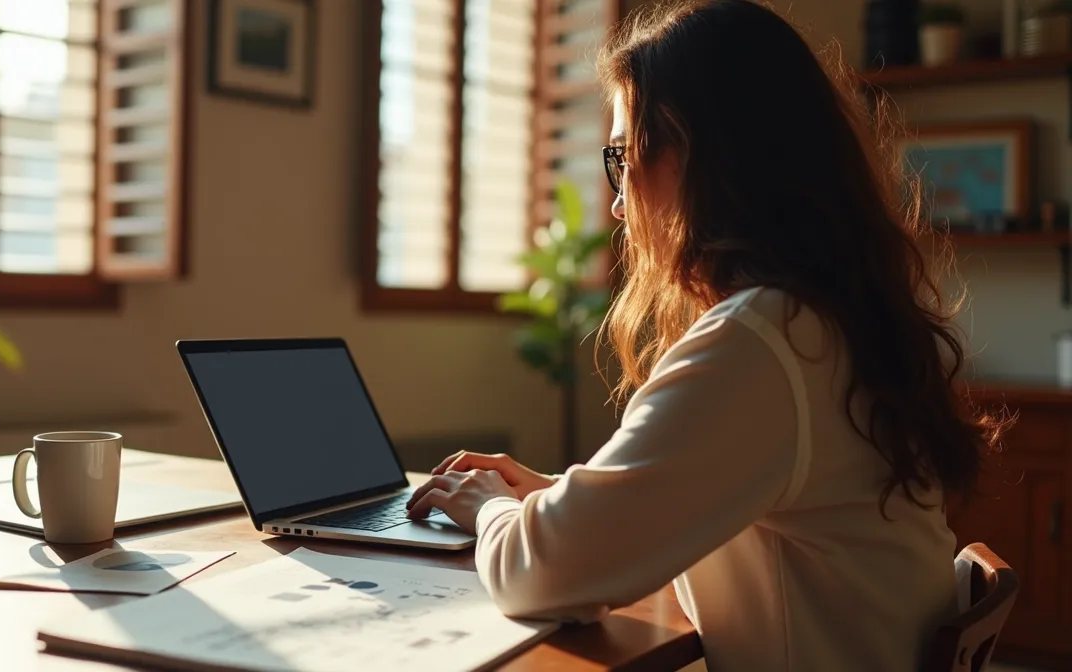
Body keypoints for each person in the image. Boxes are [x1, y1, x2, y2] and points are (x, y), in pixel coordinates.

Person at [403, 0, 1005, 669]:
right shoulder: (831, 321)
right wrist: (553, 497)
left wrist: (490, 510)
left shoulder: (761, 344)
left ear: (692, 154)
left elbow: (537, 574)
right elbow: (720, 500)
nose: (617, 200)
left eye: (623, 155)